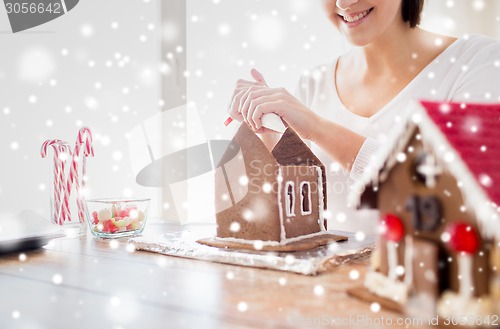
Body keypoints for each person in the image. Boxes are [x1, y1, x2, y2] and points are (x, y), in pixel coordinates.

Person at [226, 0, 500, 234]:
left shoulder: (478, 63)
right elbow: (299, 220)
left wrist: (318, 128)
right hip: (327, 292)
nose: (344, 3)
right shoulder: (314, 83)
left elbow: (458, 204)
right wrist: (266, 133)